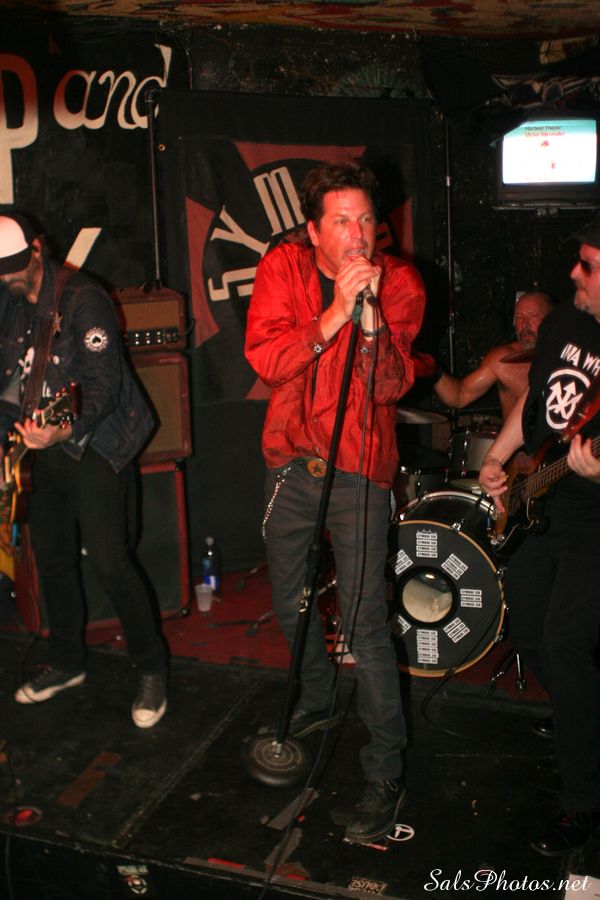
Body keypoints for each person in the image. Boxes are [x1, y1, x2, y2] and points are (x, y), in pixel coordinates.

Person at [245, 161, 425, 843]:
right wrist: (331, 316)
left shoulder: (401, 283)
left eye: (366, 220)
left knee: (364, 625)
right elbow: (267, 359)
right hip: (291, 463)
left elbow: (389, 387)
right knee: (288, 601)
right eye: (342, 221)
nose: (357, 234)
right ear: (313, 229)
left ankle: (385, 769)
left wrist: (369, 317)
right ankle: (318, 697)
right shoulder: (283, 267)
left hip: (360, 471)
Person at [0, 213, 168, 728]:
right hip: (38, 450)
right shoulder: (9, 301)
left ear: (37, 249)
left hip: (95, 443)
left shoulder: (83, 298)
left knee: (111, 562)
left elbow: (103, 387)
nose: (8, 278)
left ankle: (152, 669)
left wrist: (64, 429)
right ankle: (68, 661)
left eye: (13, 268)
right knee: (51, 561)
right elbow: (7, 382)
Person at [478, 213, 600, 857]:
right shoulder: (563, 324)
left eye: (589, 265)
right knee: (526, 631)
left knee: (566, 640)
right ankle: (584, 717)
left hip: (595, 521)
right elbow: (535, 407)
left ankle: (582, 801)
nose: (573, 273)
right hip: (539, 495)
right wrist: (499, 459)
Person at [431, 291, 555, 419]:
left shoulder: (566, 355)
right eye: (519, 317)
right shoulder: (502, 360)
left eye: (533, 316)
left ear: (552, 319)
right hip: (517, 433)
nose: (524, 325)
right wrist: (433, 369)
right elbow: (460, 395)